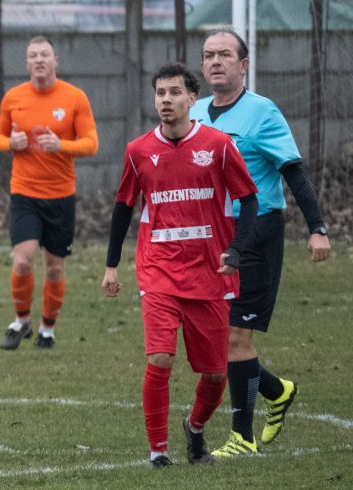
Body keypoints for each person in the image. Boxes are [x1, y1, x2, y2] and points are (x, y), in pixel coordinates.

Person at [102, 63, 258, 467]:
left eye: (174, 93)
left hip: (210, 273)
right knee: (160, 358)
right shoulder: (139, 151)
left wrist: (236, 250)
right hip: (158, 269)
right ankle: (157, 452)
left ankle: (195, 428)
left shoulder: (219, 145)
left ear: (193, 98)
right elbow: (123, 207)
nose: (166, 100)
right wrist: (112, 265)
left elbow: (250, 201)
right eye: (160, 93)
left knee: (214, 375)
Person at [191, 29, 330, 457]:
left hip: (256, 231)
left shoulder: (262, 113)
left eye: (225, 55)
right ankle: (277, 391)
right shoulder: (194, 111)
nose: (216, 61)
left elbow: (294, 174)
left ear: (244, 65)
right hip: (210, 236)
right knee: (220, 338)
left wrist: (318, 228)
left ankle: (242, 437)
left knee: (235, 335)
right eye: (209, 55)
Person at [0, 36, 99, 350]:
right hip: (24, 194)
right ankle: (21, 321)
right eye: (33, 55)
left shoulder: (74, 97)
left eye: (44, 54)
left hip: (61, 196)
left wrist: (61, 145)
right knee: (23, 261)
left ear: (55, 61)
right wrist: (10, 144)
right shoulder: (13, 98)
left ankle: (47, 329)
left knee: (54, 267)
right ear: (26, 63)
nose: (39, 60)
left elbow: (91, 143)